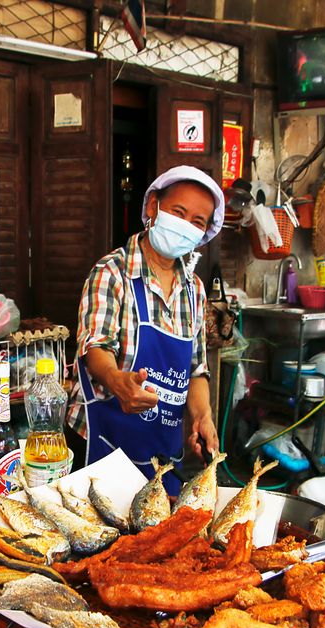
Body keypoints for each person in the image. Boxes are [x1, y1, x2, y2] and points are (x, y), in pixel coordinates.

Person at [66, 165, 225, 494]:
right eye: (178, 212)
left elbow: (196, 370)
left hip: (162, 458)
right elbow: (95, 349)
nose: (184, 226)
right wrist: (117, 381)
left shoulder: (194, 289)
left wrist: (202, 417)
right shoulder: (112, 273)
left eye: (197, 222)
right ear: (153, 207)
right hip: (102, 449)